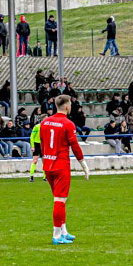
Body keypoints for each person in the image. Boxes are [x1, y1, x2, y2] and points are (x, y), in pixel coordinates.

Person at [39, 95, 88, 245]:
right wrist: (84, 165)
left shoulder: (45, 122)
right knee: (60, 200)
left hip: (48, 165)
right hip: (61, 166)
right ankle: (56, 235)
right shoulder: (68, 124)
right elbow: (75, 146)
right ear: (67, 106)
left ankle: (64, 231)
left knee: (60, 200)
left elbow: (42, 143)